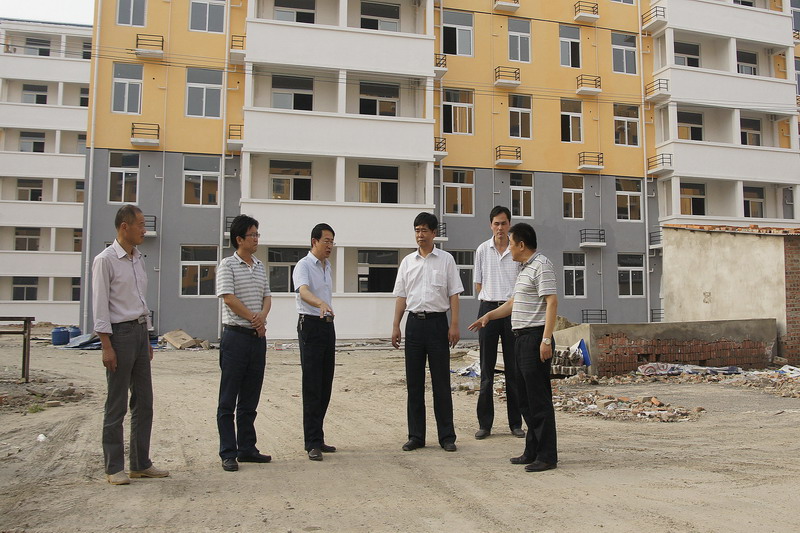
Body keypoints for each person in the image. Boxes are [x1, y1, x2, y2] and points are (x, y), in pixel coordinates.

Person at [468, 222, 558, 472]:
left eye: (511, 243)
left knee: (539, 399)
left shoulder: (542, 265)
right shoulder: (524, 268)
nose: (508, 248)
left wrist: (546, 340)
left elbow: (552, 302)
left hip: (535, 338)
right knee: (525, 400)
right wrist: (489, 316)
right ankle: (532, 450)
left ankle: (547, 456)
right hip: (520, 338)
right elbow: (514, 302)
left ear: (521, 244)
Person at [92, 204, 169, 485]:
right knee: (117, 404)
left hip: (138, 332)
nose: (144, 230)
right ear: (124, 227)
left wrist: (147, 338)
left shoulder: (138, 259)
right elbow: (100, 306)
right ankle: (114, 467)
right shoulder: (106, 260)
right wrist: (106, 345)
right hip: (119, 334)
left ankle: (140, 463)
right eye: (140, 225)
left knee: (144, 401)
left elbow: (141, 302)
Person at [391, 212, 463, 453]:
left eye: (424, 230)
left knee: (441, 382)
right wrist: (396, 325)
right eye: (417, 230)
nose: (420, 235)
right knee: (414, 383)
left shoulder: (446, 260)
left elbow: (454, 294)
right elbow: (401, 296)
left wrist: (454, 324)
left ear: (434, 233)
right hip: (413, 325)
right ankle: (416, 436)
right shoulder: (407, 262)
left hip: (437, 325)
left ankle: (447, 436)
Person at [215, 214, 272, 472]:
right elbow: (228, 298)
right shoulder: (227, 265)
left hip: (256, 339)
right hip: (235, 337)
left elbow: (267, 297)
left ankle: (247, 448)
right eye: (253, 235)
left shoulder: (259, 266)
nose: (256, 238)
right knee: (228, 398)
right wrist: (253, 318)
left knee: (250, 397)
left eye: (257, 234)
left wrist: (261, 318)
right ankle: (228, 452)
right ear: (239, 239)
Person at [473, 206, 525, 440]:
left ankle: (515, 423)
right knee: (487, 370)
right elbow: (478, 283)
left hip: (513, 311)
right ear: (490, 225)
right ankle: (485, 425)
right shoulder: (482, 250)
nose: (500, 228)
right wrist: (491, 302)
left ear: (509, 224)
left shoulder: (517, 249)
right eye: (496, 223)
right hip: (488, 310)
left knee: (514, 370)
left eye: (504, 223)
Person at [293, 223, 338, 461]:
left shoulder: (327, 266)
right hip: (310, 325)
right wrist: (319, 303)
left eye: (332, 242)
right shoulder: (304, 265)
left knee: (325, 384)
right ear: (314, 241)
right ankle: (311, 442)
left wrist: (325, 308)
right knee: (312, 385)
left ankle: (318, 437)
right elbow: (303, 291)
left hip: (327, 325)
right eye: (326, 241)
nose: (330, 246)